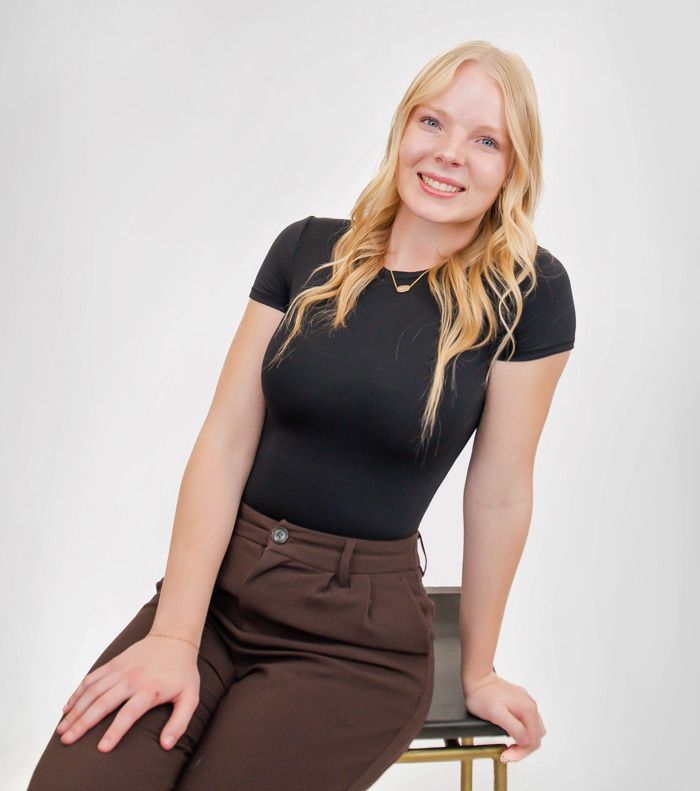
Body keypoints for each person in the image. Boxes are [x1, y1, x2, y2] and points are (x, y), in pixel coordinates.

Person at [28, 39, 574, 790]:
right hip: (219, 595)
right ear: (401, 130)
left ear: (514, 166)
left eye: (486, 140)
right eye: (432, 123)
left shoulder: (528, 293)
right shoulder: (308, 250)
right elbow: (224, 441)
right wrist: (174, 634)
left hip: (355, 645)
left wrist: (478, 669)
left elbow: (501, 490)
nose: (449, 154)